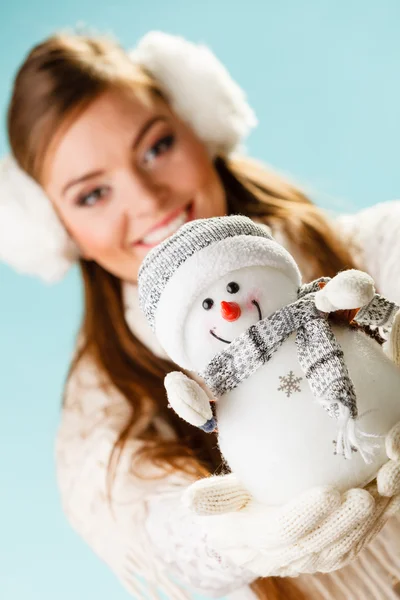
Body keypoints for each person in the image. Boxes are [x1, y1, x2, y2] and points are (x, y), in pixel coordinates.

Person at [2, 30, 400, 600]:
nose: (146, 198)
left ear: (199, 124)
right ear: (58, 231)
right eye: (93, 194)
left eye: (156, 147)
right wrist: (235, 537)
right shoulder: (106, 426)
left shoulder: (373, 253)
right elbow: (151, 533)